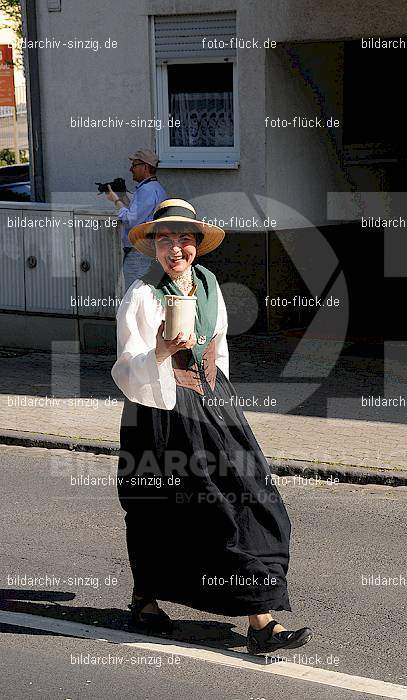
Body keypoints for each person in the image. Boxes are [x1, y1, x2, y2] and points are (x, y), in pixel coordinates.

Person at [111, 198, 311, 655]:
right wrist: (161, 351)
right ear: (153, 247)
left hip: (212, 403)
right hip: (158, 410)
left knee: (252, 497)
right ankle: (149, 601)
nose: (175, 248)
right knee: (163, 509)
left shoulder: (209, 284)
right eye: (165, 239)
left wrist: (223, 400)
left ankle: (260, 613)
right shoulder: (141, 294)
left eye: (184, 239)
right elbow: (125, 370)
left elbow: (218, 349)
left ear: (197, 245)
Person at [105, 148, 166, 291]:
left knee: (134, 294)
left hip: (138, 252)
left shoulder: (147, 190)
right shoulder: (154, 188)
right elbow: (139, 214)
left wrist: (115, 200)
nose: (130, 169)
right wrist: (124, 197)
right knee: (145, 294)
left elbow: (131, 220)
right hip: (147, 250)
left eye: (134, 165)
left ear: (145, 167)